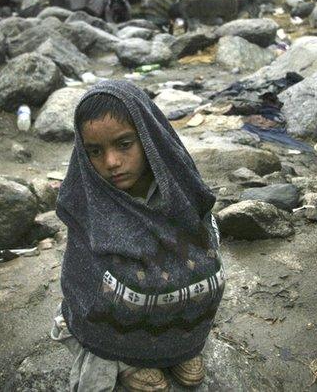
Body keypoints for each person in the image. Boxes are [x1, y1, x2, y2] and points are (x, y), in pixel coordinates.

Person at [51, 80, 225, 392]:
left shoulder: (177, 184)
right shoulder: (87, 198)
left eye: (124, 144)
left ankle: (181, 345)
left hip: (176, 312)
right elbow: (83, 279)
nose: (111, 163)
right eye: (94, 151)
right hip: (120, 321)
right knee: (120, 291)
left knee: (206, 271)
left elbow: (201, 234)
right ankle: (129, 358)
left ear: (148, 137)